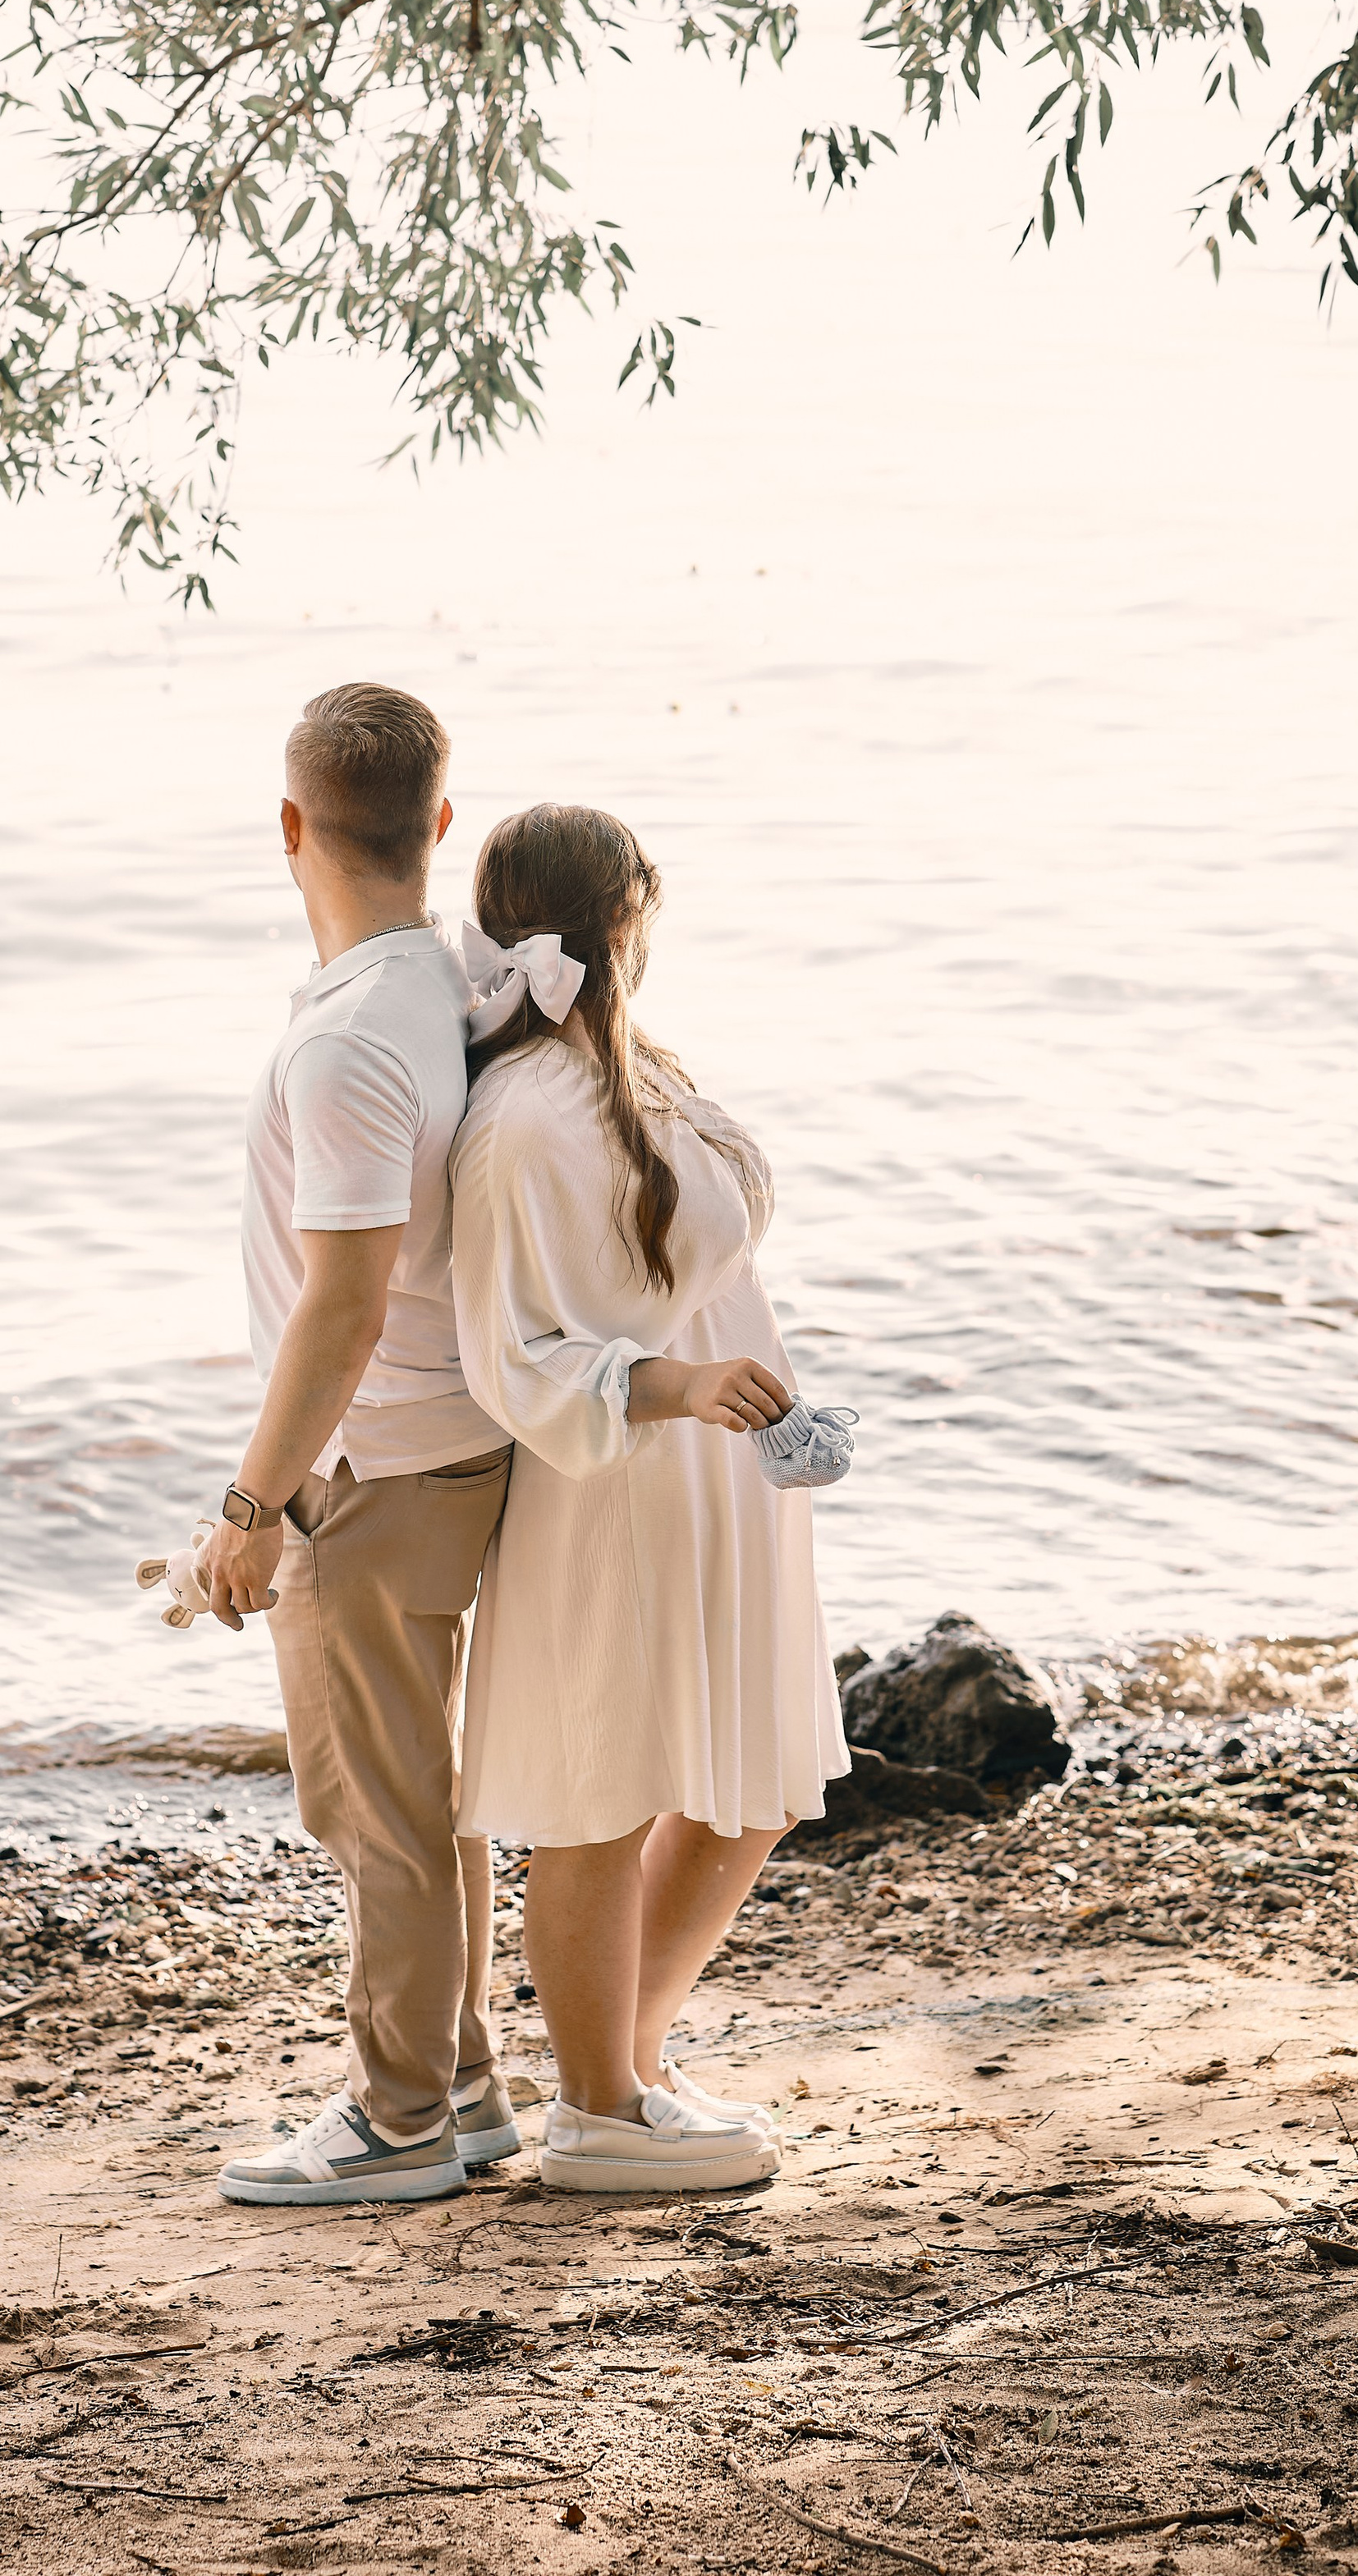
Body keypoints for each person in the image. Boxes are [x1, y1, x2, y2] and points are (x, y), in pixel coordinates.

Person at [447, 804, 851, 2193]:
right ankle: (596, 2106)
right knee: (601, 1787)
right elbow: (512, 1354)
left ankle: (633, 2051)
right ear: (628, 921)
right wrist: (675, 1388)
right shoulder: (513, 1119)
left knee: (751, 1781)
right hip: (615, 1483)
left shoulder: (629, 1064)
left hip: (726, 1479)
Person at [203, 684, 517, 2207]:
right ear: (438, 826)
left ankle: (394, 2120)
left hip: (376, 1467)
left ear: (288, 828)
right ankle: (459, 2086)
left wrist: (253, 1504)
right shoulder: (443, 986)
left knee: (376, 1810)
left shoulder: (349, 1044)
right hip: (444, 1441)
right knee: (426, 1792)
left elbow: (342, 1300)